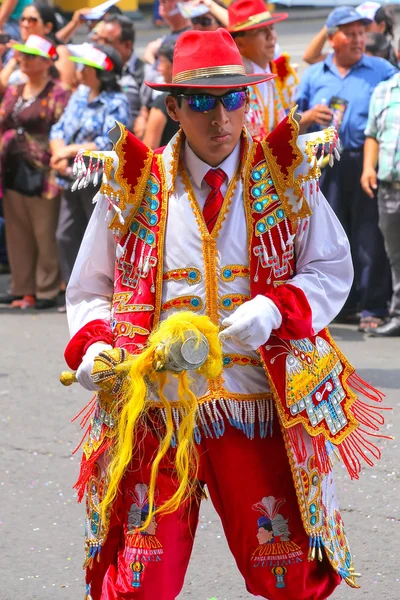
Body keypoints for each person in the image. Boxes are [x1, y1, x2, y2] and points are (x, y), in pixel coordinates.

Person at [63, 28, 387, 600]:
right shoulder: (132, 185)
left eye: (234, 99)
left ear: (250, 101)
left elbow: (332, 267)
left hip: (258, 404)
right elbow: (91, 287)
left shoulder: (285, 177)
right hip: (158, 407)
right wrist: (93, 345)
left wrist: (275, 307)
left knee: (284, 573)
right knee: (142, 580)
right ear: (172, 107)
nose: (221, 119)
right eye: (202, 103)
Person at [296, 6, 397, 332]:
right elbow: (291, 121)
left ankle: (373, 305)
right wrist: (309, 117)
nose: (358, 40)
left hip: (365, 161)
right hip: (323, 165)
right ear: (332, 39)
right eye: (350, 34)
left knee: (369, 237)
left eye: (361, 34)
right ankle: (341, 305)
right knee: (328, 237)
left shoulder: (380, 69)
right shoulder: (314, 75)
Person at [49, 43, 131, 310]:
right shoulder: (79, 94)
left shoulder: (116, 101)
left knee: (98, 238)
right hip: (70, 177)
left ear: (101, 72)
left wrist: (71, 152)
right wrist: (59, 153)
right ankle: (76, 292)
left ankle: (103, 295)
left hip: (97, 181)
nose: (80, 71)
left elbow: (110, 140)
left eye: (87, 67)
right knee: (66, 234)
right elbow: (59, 128)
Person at [0, 34, 70, 309]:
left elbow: (60, 126)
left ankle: (46, 288)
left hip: (42, 171)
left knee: (44, 230)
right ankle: (22, 288)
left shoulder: (58, 92)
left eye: (29, 56)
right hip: (13, 169)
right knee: (17, 231)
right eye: (21, 55)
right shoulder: (15, 90)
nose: (22, 60)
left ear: (45, 62)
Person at [361, 71, 400, 337]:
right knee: (395, 255)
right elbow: (372, 134)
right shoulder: (384, 90)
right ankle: (398, 315)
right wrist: (367, 168)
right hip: (390, 189)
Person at [228, 0, 298, 139]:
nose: (271, 36)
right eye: (261, 30)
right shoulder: (233, 83)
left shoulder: (278, 69)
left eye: (271, 28)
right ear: (240, 44)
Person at [135, 0, 191, 139]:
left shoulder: (188, 38)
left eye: (168, 1)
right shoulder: (166, 38)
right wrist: (144, 112)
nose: (162, 3)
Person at [0, 1, 76, 93]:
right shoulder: (18, 51)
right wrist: (16, 60)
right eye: (22, 19)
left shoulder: (58, 51)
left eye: (32, 20)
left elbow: (64, 90)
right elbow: (2, 87)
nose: (25, 24)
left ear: (47, 27)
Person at [303, 2, 398, 68]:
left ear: (381, 26)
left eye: (364, 27)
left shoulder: (394, 56)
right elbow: (311, 57)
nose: (358, 33)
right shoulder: (348, 54)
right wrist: (331, 24)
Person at [93, 14, 144, 124]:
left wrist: (144, 116)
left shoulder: (143, 73)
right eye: (99, 39)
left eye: (107, 41)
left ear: (127, 45)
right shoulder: (94, 70)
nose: (100, 46)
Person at [142, 40, 179, 148]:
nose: (159, 68)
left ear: (174, 65)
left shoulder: (163, 102)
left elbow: (148, 149)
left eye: (162, 62)